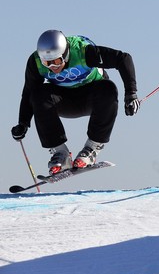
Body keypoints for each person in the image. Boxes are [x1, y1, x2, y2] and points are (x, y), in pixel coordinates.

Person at [11, 30, 140, 175]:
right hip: (62, 100)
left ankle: (91, 149)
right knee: (38, 93)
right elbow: (28, 91)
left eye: (57, 61)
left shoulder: (84, 52)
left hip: (92, 97)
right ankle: (60, 153)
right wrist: (23, 123)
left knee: (108, 88)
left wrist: (131, 94)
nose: (53, 67)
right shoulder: (35, 62)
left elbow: (123, 59)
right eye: (47, 63)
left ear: (65, 54)